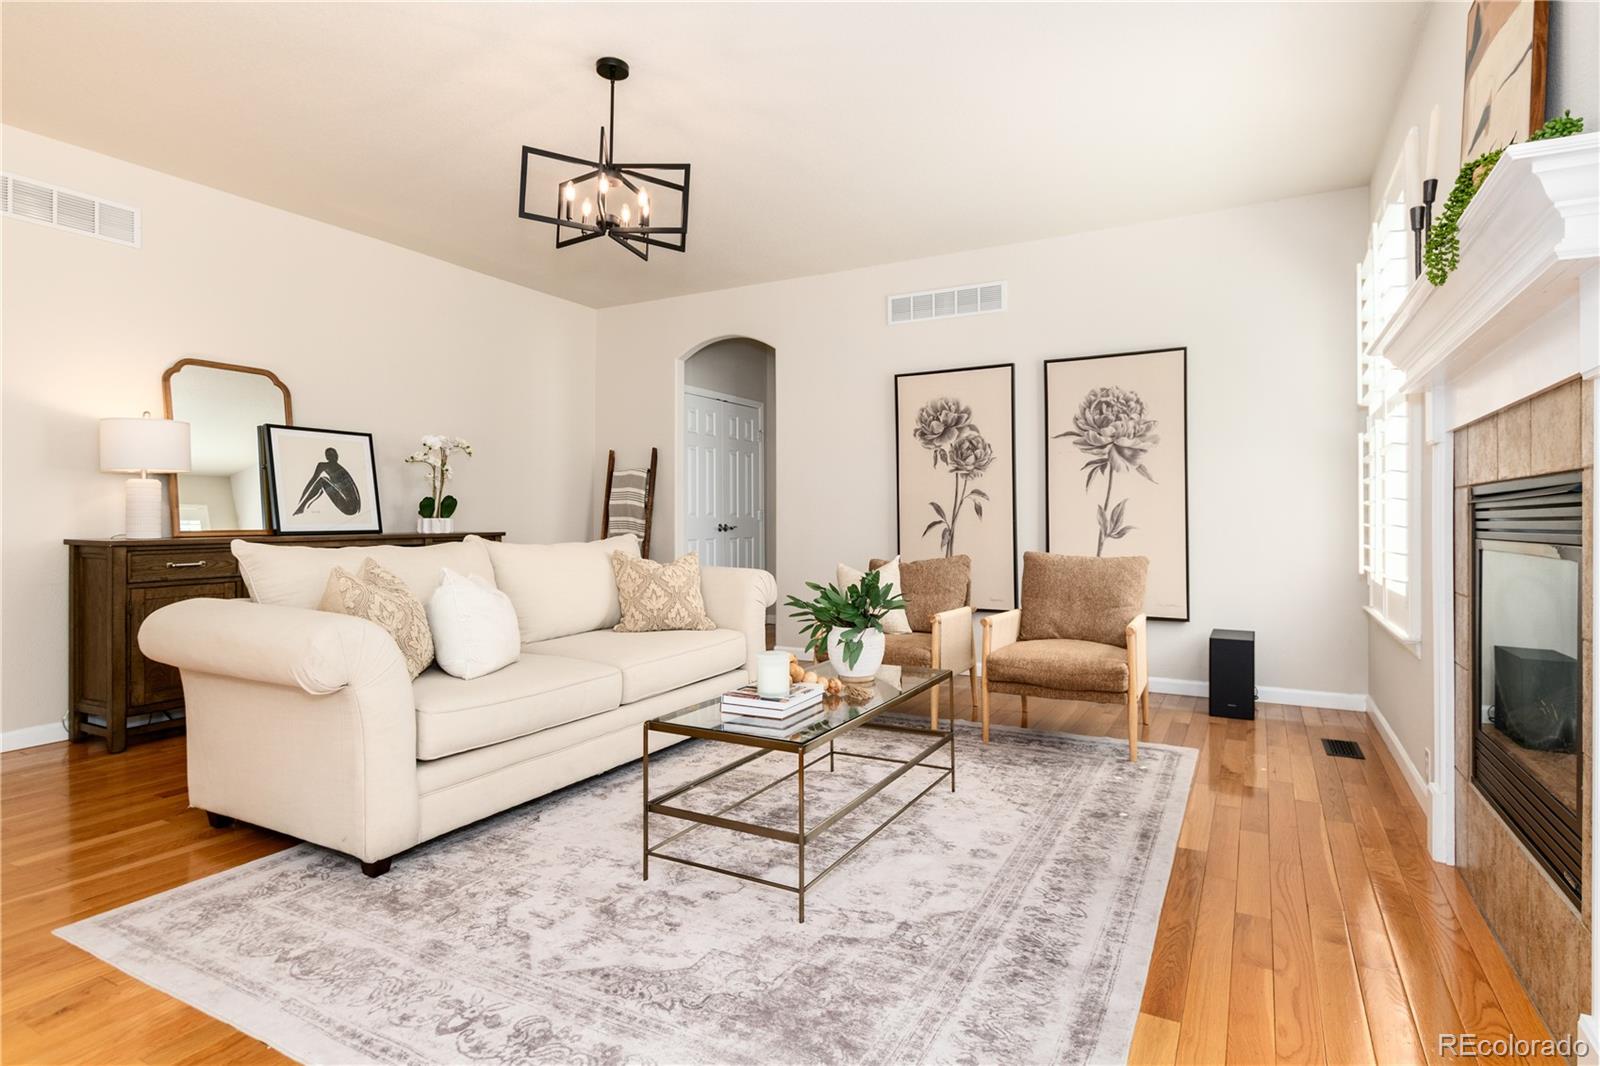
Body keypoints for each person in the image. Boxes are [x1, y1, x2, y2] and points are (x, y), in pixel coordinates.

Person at [293, 447, 362, 516]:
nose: (333, 457)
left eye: (333, 455)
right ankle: (303, 506)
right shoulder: (339, 468)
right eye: (330, 455)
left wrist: (301, 500)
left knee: (322, 480)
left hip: (349, 507)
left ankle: (301, 507)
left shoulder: (323, 465)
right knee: (324, 480)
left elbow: (312, 482)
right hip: (353, 508)